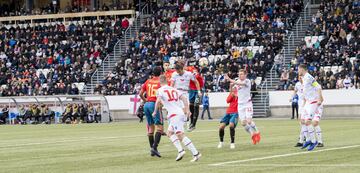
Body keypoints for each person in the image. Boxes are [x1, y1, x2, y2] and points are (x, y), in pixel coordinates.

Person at [153, 75, 201, 162]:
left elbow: (158, 101)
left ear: (160, 82)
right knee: (169, 133)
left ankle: (196, 154)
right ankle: (180, 151)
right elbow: (184, 98)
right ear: (167, 81)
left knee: (180, 135)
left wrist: (155, 111)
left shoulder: (160, 90)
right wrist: (187, 109)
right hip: (179, 113)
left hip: (175, 115)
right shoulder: (174, 89)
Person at [225, 69, 261, 145]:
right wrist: (231, 86)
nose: (240, 75)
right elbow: (232, 91)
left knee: (249, 121)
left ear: (245, 75)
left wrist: (230, 79)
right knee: (243, 123)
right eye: (239, 74)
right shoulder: (237, 81)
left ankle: (257, 131)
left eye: (242, 74)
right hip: (240, 105)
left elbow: (239, 83)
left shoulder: (247, 81)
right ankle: (252, 135)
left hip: (247, 103)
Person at [298, 64, 324, 151]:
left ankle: (314, 141)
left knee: (308, 121)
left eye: (299, 69)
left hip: (313, 102)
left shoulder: (309, 77)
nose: (298, 71)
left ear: (302, 69)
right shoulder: (304, 78)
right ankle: (308, 139)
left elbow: (318, 86)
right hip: (307, 102)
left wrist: (320, 99)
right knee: (302, 121)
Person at [139, 66, 163, 157]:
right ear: (161, 73)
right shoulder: (160, 82)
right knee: (160, 128)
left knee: (151, 128)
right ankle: (154, 147)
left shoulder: (148, 81)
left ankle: (152, 150)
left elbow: (140, 94)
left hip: (147, 104)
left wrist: (146, 101)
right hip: (154, 105)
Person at [170, 61, 201, 132]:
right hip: (176, 92)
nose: (178, 72)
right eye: (176, 71)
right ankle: (177, 124)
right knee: (178, 110)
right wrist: (171, 92)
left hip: (185, 93)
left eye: (178, 71)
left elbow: (196, 81)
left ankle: (186, 124)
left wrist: (199, 91)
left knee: (186, 110)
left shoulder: (188, 74)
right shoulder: (174, 74)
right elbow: (172, 84)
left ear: (181, 69)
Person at [217, 83, 238, 149]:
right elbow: (227, 101)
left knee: (231, 125)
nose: (233, 89)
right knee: (221, 127)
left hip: (235, 112)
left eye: (234, 87)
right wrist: (232, 95)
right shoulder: (231, 93)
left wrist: (236, 95)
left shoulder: (240, 94)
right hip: (228, 112)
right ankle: (221, 142)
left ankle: (232, 143)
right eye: (232, 87)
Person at [293, 77, 306, 147]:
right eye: (299, 78)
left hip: (306, 104)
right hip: (300, 104)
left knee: (303, 121)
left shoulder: (307, 84)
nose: (300, 79)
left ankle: (302, 139)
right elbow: (295, 91)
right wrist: (292, 97)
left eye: (301, 78)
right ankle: (305, 136)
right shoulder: (297, 84)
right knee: (301, 121)